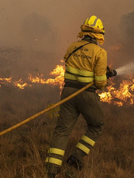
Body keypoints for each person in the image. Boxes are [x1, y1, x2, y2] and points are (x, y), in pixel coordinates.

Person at [45, 15, 116, 178]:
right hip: (86, 95)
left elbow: (74, 66)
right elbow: (99, 83)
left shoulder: (72, 47)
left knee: (62, 130)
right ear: (99, 34)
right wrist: (105, 77)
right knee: (97, 124)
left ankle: (51, 170)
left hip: (68, 93)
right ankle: (76, 157)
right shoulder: (99, 52)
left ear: (84, 31)